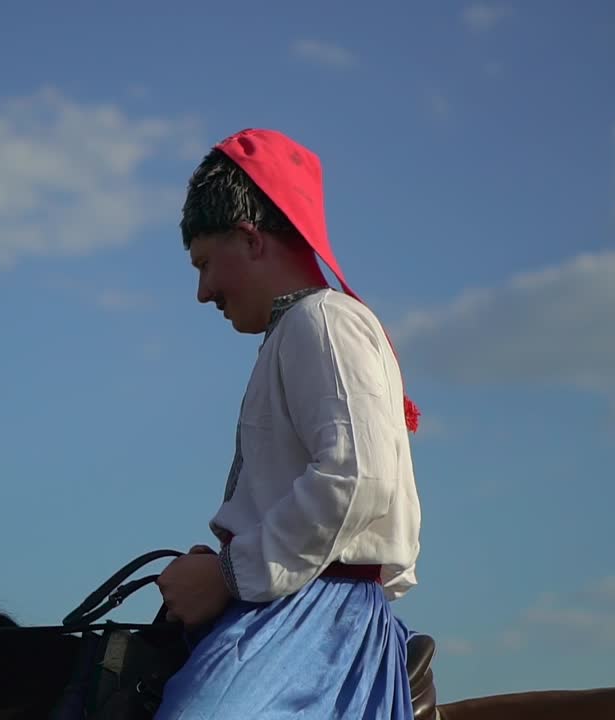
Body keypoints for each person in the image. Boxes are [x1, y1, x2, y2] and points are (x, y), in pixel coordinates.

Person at [154, 128, 422, 719]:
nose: (202, 292)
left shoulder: (321, 320)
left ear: (250, 239)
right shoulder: (299, 329)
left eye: (204, 264)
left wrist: (227, 575)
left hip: (317, 619)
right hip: (290, 602)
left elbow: (359, 478)